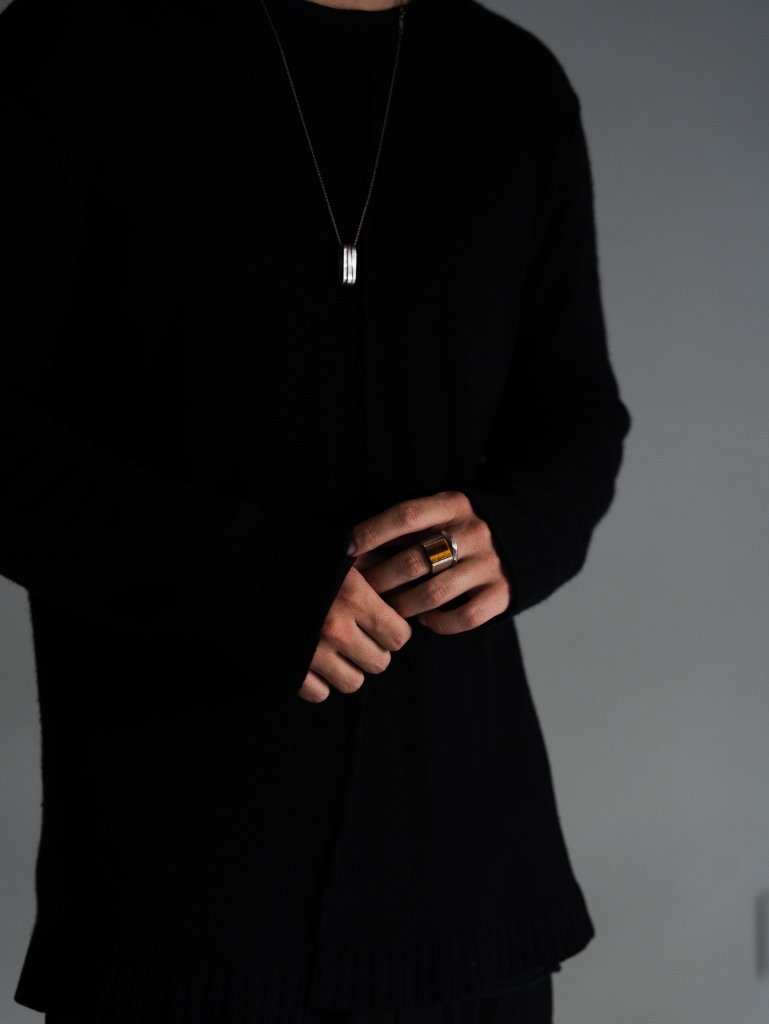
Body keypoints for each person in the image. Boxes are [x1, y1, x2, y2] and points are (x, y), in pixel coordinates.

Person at [0, 0, 631, 1020]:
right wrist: (243, 580)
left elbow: (574, 411)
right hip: (175, 893)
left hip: (470, 884)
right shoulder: (69, 49)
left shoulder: (512, 87)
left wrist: (514, 529)